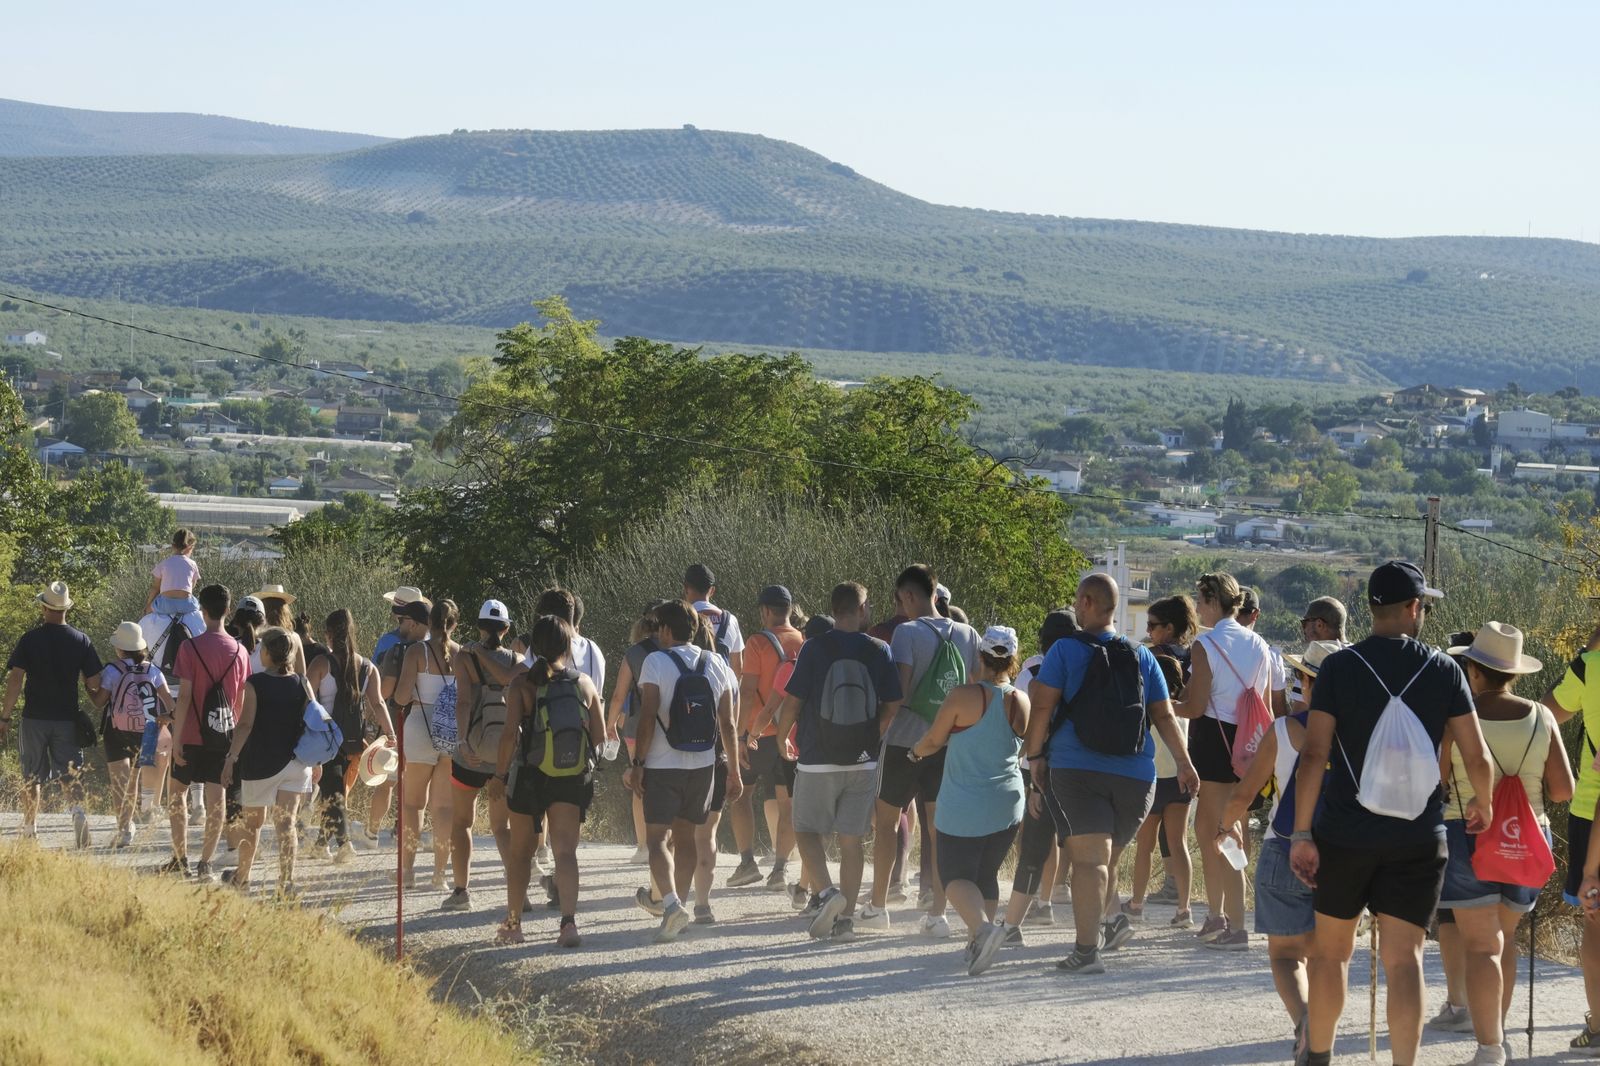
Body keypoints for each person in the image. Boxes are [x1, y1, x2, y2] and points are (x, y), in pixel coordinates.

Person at [1289, 560, 1495, 1066]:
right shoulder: (1444, 670)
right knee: (1405, 961)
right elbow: (1476, 755)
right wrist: (1483, 800)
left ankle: (1319, 1056)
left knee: (1331, 954)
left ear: (1372, 609)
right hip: (1417, 835)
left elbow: (1314, 755)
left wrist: (1301, 832)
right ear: (1414, 607)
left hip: (1344, 831)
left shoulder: (1339, 667)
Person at [1026, 574, 1198, 975]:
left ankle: (1087, 952)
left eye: (1077, 600)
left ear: (1087, 602)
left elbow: (1043, 707)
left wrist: (1034, 755)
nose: (1075, 605)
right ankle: (1112, 921)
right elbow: (1164, 715)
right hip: (1136, 777)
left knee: (1089, 863)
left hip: (1077, 770)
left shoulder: (1064, 650)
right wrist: (1185, 763)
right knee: (1107, 857)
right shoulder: (1142, 656)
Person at [1433, 623, 1572, 1065]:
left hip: (1467, 834)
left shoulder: (1457, 717)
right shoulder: (1542, 716)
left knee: (1481, 946)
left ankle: (1489, 1047)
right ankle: (1500, 1035)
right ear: (1513, 672)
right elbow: (1562, 790)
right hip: (1527, 839)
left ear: (1473, 670)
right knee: (1505, 939)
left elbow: (1439, 780)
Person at [1216, 642, 1335, 1060]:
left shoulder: (1283, 730)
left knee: (1285, 954)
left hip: (1284, 848)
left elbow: (1244, 793)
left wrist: (1225, 826)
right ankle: (1320, 1029)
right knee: (1325, 955)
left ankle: (1305, 1020)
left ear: (1307, 682)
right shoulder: (1360, 735)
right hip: (1341, 856)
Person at [774, 582, 902, 942]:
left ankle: (828, 893)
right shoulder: (879, 649)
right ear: (861, 610)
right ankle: (845, 921)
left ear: (834, 609)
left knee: (805, 830)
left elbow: (793, 700)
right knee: (851, 841)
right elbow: (893, 703)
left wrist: (783, 738)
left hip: (817, 758)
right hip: (863, 761)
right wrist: (873, 734)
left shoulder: (815, 647)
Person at [860, 564, 981, 935]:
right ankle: (937, 915)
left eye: (901, 600)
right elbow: (975, 687)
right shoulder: (968, 633)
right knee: (938, 828)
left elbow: (899, 693)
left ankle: (878, 907)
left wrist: (876, 731)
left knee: (886, 824)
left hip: (904, 742)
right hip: (948, 743)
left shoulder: (907, 633)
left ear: (909, 595)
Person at [910, 625, 1029, 975]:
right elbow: (1023, 747)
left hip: (965, 803)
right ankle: (979, 943)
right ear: (1014, 659)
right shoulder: (1020, 699)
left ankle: (983, 931)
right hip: (1008, 803)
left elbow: (934, 740)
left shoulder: (963, 696)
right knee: (985, 874)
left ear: (980, 656)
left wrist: (915, 753)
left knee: (953, 876)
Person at [624, 600, 744, 942]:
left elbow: (648, 716)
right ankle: (678, 906)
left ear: (664, 630)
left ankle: (672, 905)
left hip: (663, 764)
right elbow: (728, 724)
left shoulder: (655, 662)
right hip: (703, 765)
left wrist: (638, 764)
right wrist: (734, 771)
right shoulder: (717, 663)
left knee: (657, 839)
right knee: (687, 837)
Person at [489, 615, 605, 948]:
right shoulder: (584, 683)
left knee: (521, 854)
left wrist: (499, 776)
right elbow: (599, 736)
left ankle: (514, 926)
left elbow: (509, 736)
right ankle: (568, 924)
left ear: (534, 647)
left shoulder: (522, 685)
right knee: (565, 852)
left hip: (529, 776)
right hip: (570, 776)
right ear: (568, 646)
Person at [1176, 571, 1278, 950]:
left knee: (1223, 833)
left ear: (1212, 600)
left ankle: (1235, 924)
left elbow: (1195, 706)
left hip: (1215, 742)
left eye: (1200, 599)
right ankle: (1218, 914)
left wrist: (1164, 708)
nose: (1197, 606)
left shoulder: (1206, 645)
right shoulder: (1259, 645)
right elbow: (1266, 706)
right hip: (1250, 744)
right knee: (1212, 829)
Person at [3, 582, 103, 846]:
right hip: (66, 718)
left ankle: (30, 829)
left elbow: (16, 680)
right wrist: (83, 682)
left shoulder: (30, 639)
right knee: (71, 773)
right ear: (66, 609)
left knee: (32, 775)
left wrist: (5, 716)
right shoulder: (81, 640)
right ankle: (78, 813)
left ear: (44, 608)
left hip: (34, 719)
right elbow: (95, 682)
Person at [221, 627, 317, 897]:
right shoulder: (302, 682)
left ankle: (242, 877)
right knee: (286, 825)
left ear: (266, 653)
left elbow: (245, 725)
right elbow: (314, 721)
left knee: (253, 824)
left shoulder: (255, 684)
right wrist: (316, 761)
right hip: (296, 763)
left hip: (260, 764)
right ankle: (286, 884)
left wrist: (231, 758)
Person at [1122, 594, 1200, 923]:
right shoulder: (1182, 710)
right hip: (1180, 780)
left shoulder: (1152, 711)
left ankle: (1136, 904)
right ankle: (1184, 908)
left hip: (1152, 780)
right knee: (1178, 843)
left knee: (1145, 846)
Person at [1002, 608, 1078, 942]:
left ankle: (1028, 900)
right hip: (1068, 759)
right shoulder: (1079, 664)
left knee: (1032, 834)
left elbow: (1022, 714)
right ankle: (1046, 900)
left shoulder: (1033, 668)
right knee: (1057, 833)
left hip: (1032, 760)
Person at [166, 583, 249, 880]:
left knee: (177, 795)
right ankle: (206, 863)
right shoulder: (240, 651)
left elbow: (185, 697)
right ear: (228, 610)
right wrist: (234, 744)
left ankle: (180, 860)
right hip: (222, 735)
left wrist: (176, 739)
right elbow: (239, 701)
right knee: (217, 799)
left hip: (190, 733)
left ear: (202, 610)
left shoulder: (189, 648)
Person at [444, 599, 521, 912]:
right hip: (505, 755)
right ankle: (518, 891)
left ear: (478, 626)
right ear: (506, 629)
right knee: (502, 827)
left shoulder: (464, 657)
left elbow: (463, 701)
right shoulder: (517, 660)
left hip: (471, 753)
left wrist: (462, 741)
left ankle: (461, 892)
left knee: (462, 822)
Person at [1545, 617, 1600, 1052]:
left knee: (1595, 920)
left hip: (1591, 811)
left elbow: (1547, 714)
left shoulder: (1589, 666)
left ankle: (1598, 1027)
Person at [730, 584, 805, 891]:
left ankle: (747, 862)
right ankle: (780, 869)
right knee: (788, 805)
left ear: (765, 611)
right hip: (790, 737)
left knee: (741, 795)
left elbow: (747, 691)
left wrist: (740, 735)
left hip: (757, 735)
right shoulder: (802, 641)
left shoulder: (757, 642)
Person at [307, 608, 394, 864]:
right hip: (353, 740)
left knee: (333, 793)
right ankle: (321, 844)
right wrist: (390, 733)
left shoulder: (321, 663)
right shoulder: (367, 667)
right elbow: (378, 703)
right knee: (333, 791)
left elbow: (307, 701)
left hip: (325, 738)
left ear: (329, 634)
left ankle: (345, 845)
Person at [531, 587, 606, 869]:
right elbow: (598, 694)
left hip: (543, 740)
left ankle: (540, 849)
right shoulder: (594, 650)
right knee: (571, 811)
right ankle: (563, 865)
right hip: (581, 744)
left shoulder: (541, 647)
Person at [393, 598, 461, 890]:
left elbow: (400, 697)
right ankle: (439, 875)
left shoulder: (417, 651)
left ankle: (407, 872)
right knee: (444, 808)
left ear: (429, 622)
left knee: (412, 804)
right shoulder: (462, 653)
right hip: (450, 729)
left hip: (420, 725)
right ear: (454, 624)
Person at [96, 621, 175, 848]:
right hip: (147, 731)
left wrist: (89, 688)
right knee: (133, 779)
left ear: (120, 648)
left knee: (119, 781)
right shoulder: (153, 670)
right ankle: (129, 824)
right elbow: (170, 704)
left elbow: (100, 701)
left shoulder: (113, 670)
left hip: (116, 730)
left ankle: (124, 829)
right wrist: (166, 718)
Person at [606, 601, 672, 864]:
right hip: (671, 724)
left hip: (636, 724)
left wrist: (610, 724)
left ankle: (644, 846)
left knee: (639, 782)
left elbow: (618, 695)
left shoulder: (634, 653)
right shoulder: (675, 648)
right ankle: (668, 843)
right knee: (669, 781)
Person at [146, 528, 203, 622]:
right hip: (186, 605)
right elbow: (192, 586)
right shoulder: (193, 564)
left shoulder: (164, 564)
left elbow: (155, 588)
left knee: (147, 613)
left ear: (173, 546)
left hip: (165, 605)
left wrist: (148, 606)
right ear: (190, 547)